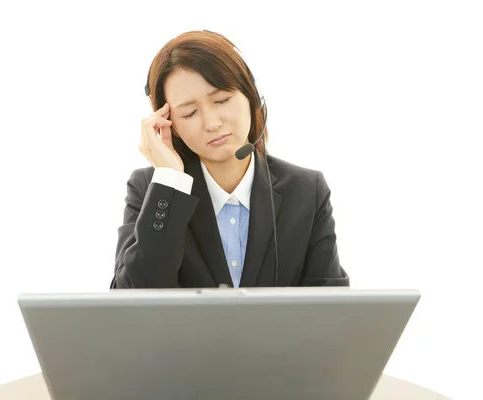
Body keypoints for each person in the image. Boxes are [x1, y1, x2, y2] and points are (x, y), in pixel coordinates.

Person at [110, 29, 349, 289]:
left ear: (252, 96)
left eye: (222, 99)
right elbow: (130, 303)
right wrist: (169, 183)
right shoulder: (151, 189)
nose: (212, 123)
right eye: (189, 113)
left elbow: (330, 309)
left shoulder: (306, 191)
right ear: (168, 123)